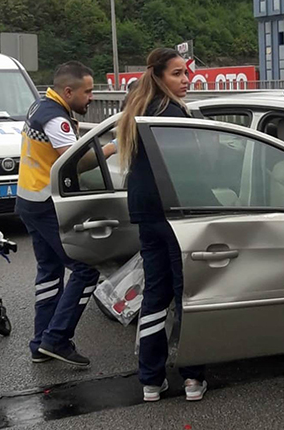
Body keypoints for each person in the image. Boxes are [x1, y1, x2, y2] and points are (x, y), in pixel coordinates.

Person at [116, 48, 207, 403]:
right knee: (187, 295)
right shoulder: (172, 115)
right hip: (175, 215)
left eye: (186, 74)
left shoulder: (136, 112)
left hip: (146, 214)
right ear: (158, 76)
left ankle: (151, 381)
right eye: (177, 74)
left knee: (155, 295)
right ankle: (192, 379)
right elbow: (189, 170)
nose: (186, 81)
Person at [16, 61, 115, 366]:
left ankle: (40, 344)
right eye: (87, 92)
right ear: (68, 91)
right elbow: (76, 163)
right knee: (85, 268)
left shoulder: (41, 106)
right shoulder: (56, 120)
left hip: (29, 199)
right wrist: (112, 147)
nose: (92, 97)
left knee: (50, 272)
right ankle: (57, 339)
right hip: (46, 203)